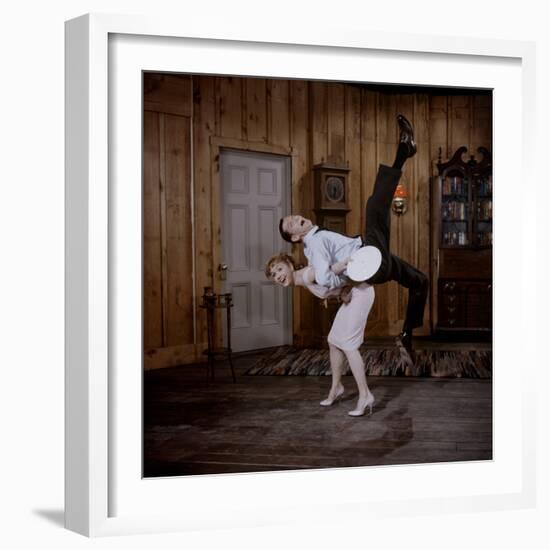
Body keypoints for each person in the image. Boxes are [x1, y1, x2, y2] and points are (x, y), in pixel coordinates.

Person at [278, 114, 428, 360]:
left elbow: (325, 279)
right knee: (374, 207)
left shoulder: (316, 238)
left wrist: (343, 282)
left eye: (294, 216)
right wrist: (346, 273)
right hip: (367, 261)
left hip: (373, 260)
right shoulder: (313, 245)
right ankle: (404, 150)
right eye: (292, 223)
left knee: (420, 281)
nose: (296, 218)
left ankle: (406, 335)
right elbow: (325, 278)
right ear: (295, 238)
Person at [265, 253, 375, 417]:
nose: (278, 276)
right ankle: (336, 388)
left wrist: (348, 286)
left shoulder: (307, 275)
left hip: (361, 292)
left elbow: (337, 272)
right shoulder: (303, 280)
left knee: (348, 344)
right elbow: (331, 283)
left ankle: (365, 395)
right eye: (274, 274)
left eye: (280, 269)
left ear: (289, 264)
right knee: (333, 340)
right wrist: (338, 293)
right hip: (352, 294)